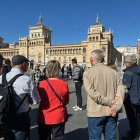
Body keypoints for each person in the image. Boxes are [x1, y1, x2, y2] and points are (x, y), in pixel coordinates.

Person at [83, 49, 124, 140]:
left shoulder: (87, 73)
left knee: (94, 138)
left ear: (91, 59)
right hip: (112, 111)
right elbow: (120, 93)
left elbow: (92, 93)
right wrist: (115, 107)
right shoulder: (114, 73)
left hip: (95, 112)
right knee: (110, 138)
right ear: (103, 58)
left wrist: (108, 102)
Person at [0, 55, 41, 140]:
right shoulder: (26, 79)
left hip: (4, 116)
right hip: (21, 118)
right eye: (27, 64)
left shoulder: (1, 77)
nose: (28, 66)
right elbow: (36, 101)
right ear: (23, 64)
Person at [37, 60, 69, 140]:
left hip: (44, 116)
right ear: (58, 70)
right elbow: (66, 101)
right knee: (58, 138)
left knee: (44, 137)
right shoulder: (64, 84)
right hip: (58, 116)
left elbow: (38, 100)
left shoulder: (41, 84)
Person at [122, 55, 140, 140]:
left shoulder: (128, 72)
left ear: (129, 63)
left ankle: (134, 136)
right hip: (138, 98)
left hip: (131, 99)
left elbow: (125, 87)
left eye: (125, 62)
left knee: (132, 118)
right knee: (138, 118)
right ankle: (137, 134)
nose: (125, 64)